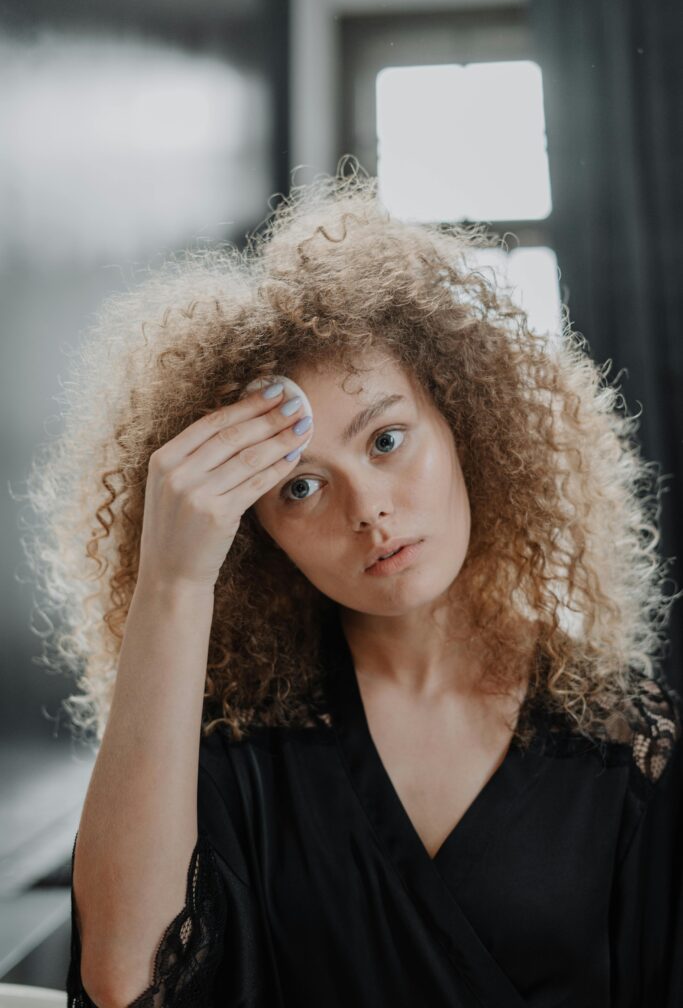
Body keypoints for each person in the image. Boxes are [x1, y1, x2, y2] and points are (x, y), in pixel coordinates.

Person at [23, 164, 683, 1007]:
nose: (368, 511)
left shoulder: (621, 736)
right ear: (254, 533)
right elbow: (125, 984)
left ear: (463, 423)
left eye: (385, 440)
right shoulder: (236, 744)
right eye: (298, 487)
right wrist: (173, 581)